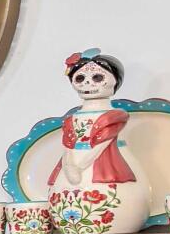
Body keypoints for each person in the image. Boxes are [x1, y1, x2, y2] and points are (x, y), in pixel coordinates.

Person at [53, 50, 140, 192]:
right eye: (80, 78)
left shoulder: (113, 117)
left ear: (115, 81)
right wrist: (69, 166)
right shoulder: (71, 120)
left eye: (97, 77)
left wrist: (79, 167)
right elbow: (68, 146)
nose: (88, 83)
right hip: (72, 165)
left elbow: (101, 144)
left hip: (102, 162)